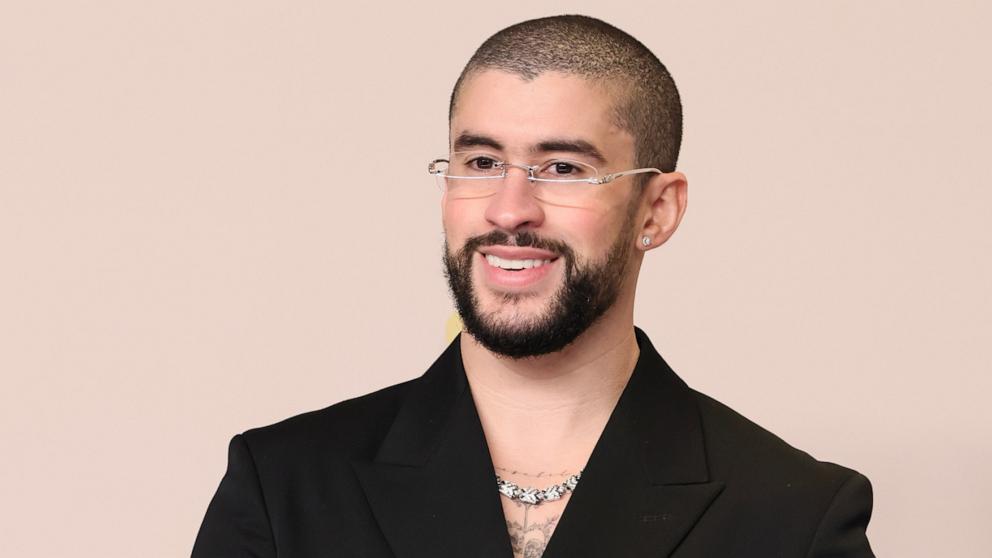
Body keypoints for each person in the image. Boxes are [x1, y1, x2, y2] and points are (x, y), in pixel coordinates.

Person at [192, 15, 874, 558]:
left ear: (656, 211)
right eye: (482, 161)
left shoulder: (792, 518)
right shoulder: (285, 489)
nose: (508, 208)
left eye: (564, 168)